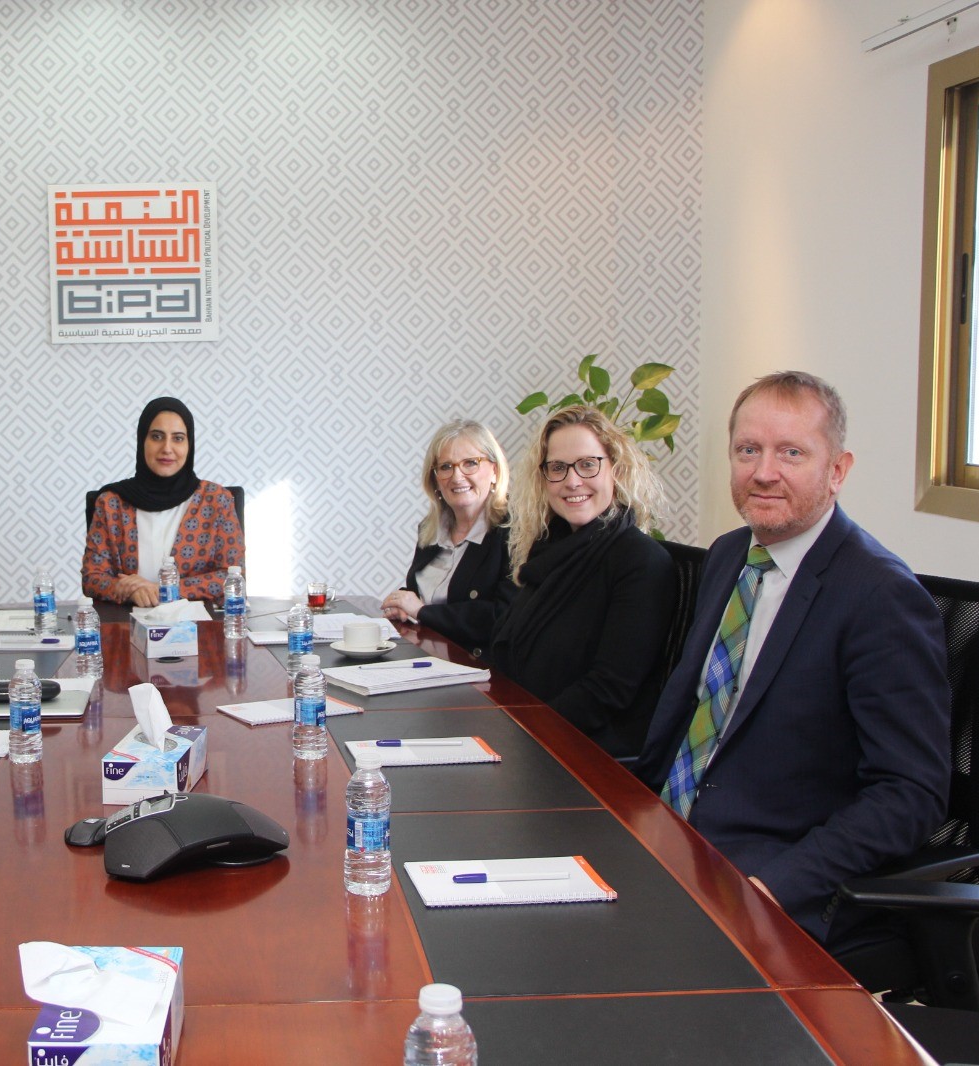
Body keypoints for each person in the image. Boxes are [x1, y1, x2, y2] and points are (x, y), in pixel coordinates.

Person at [635, 372, 949, 951]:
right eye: (747, 450)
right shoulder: (730, 554)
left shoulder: (880, 597)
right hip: (668, 838)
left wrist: (778, 886)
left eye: (792, 453)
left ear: (838, 470)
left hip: (764, 876)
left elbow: (910, 793)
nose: (764, 472)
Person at [489, 405, 676, 757]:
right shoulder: (548, 550)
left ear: (616, 469)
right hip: (528, 730)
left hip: (586, 753)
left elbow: (608, 690)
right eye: (558, 468)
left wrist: (522, 732)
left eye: (588, 464)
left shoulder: (641, 560)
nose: (572, 481)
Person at [82, 396, 245, 606]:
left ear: (189, 445)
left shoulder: (216, 501)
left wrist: (165, 590)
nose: (167, 448)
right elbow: (92, 578)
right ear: (142, 441)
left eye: (178, 438)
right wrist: (125, 590)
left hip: (200, 623)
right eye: (157, 436)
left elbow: (233, 576)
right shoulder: (112, 503)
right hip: (129, 622)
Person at [380, 419, 514, 656]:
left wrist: (421, 611)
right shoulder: (430, 529)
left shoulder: (513, 531)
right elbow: (428, 596)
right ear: (434, 479)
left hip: (480, 667)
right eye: (445, 467)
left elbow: (502, 617)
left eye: (470, 463)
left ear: (494, 470)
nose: (457, 476)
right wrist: (404, 604)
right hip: (426, 656)